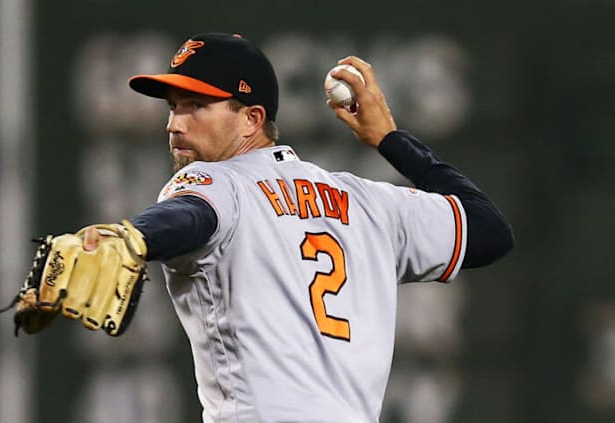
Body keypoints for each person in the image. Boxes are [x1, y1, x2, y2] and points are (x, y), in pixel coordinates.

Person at [85, 33, 513, 422]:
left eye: (197, 106)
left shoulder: (221, 181)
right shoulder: (369, 203)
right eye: (173, 106)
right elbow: (488, 229)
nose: (174, 124)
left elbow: (191, 215)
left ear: (252, 118)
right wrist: (390, 139)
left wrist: (135, 236)